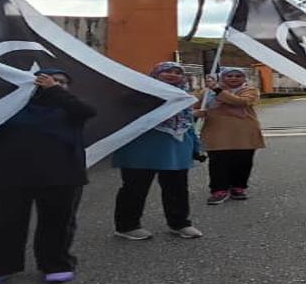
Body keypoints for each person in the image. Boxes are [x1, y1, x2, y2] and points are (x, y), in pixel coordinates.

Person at [0, 68, 95, 284]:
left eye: (62, 82)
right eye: (48, 80)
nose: (55, 84)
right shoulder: (11, 109)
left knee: (58, 222)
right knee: (5, 224)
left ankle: (55, 265)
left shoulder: (70, 109)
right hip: (11, 176)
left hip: (62, 176)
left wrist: (55, 91)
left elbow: (87, 110)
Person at [110, 61, 205, 240]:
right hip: (142, 148)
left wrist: (195, 147)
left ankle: (179, 223)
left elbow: (187, 123)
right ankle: (127, 226)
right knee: (135, 187)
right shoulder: (139, 93)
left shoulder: (184, 96)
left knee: (177, 188)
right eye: (167, 71)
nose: (173, 74)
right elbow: (126, 110)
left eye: (177, 72)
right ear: (155, 74)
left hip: (176, 148)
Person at [201, 67, 266, 205]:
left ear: (244, 78)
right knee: (218, 162)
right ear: (222, 77)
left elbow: (241, 102)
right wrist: (198, 111)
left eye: (238, 76)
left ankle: (239, 187)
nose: (233, 78)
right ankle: (219, 190)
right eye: (229, 75)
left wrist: (217, 90)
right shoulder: (207, 92)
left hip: (244, 132)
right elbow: (195, 105)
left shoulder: (250, 90)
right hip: (216, 131)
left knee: (242, 161)